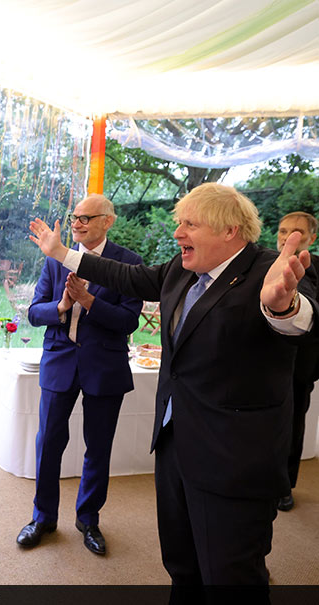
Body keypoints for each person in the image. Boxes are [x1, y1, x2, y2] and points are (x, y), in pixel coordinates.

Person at [28, 183, 315, 588]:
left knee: (231, 576)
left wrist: (282, 307)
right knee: (182, 567)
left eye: (189, 224)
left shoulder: (270, 270)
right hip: (175, 446)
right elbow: (123, 275)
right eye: (179, 223)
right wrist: (60, 253)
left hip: (233, 460)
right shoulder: (181, 270)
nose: (177, 233)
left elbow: (304, 317)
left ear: (230, 230)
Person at [16, 194, 143, 556]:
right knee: (48, 443)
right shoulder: (57, 260)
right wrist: (62, 305)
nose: (77, 224)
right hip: (60, 361)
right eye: (75, 218)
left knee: (98, 447)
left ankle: (88, 519)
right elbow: (34, 312)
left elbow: (128, 321)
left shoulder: (129, 264)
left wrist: (89, 302)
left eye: (87, 217)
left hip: (104, 365)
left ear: (108, 221)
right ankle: (42, 518)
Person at [275, 211, 319, 512]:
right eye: (282, 231)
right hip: (258, 365)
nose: (287, 237)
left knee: (291, 428)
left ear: (311, 238)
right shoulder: (263, 264)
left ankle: (285, 486)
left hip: (299, 366)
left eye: (297, 233)